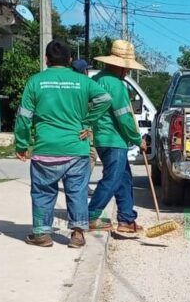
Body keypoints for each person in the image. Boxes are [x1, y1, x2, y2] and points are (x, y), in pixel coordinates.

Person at [15, 40, 112, 249]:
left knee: (43, 191)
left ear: (46, 59)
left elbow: (24, 117)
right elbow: (105, 98)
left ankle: (41, 233)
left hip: (45, 149)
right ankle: (77, 234)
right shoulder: (82, 81)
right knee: (76, 190)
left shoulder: (35, 82)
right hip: (77, 148)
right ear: (69, 60)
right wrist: (88, 121)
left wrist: (22, 144)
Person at [87, 40, 146, 237]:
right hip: (113, 139)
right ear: (118, 65)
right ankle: (91, 214)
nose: (127, 72)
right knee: (112, 179)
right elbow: (124, 117)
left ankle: (126, 219)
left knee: (123, 178)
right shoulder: (116, 85)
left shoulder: (98, 79)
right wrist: (138, 140)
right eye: (126, 68)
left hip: (102, 138)